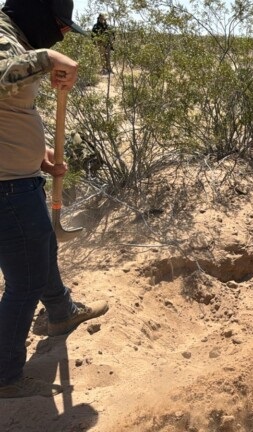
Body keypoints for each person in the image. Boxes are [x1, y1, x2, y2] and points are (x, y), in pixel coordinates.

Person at [0, 0, 109, 398]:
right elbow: (1, 74)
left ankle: (61, 312)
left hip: (17, 179)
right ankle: (5, 376)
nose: (63, 33)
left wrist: (37, 156)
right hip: (7, 188)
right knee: (25, 281)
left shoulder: (14, 38)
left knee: (42, 247)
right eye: (60, 24)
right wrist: (47, 58)